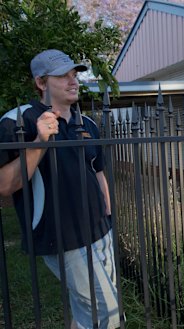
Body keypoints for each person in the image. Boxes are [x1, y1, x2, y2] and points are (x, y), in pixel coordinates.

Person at [0, 49, 120, 329]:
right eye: (62, 76)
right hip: (63, 238)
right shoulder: (18, 121)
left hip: (101, 231)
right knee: (110, 314)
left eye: (74, 74)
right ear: (41, 83)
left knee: (86, 312)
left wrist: (108, 215)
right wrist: (40, 140)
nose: (73, 81)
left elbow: (97, 171)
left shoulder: (87, 123)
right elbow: (5, 185)